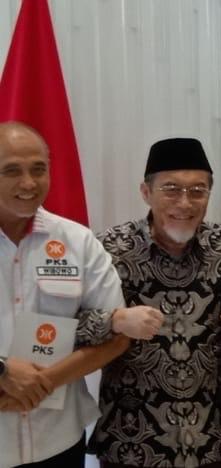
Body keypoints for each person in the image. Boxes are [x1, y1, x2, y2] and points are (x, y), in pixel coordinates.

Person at [77, 138, 221, 468]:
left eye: (197, 191)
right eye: (171, 189)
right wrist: (115, 320)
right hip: (131, 439)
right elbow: (68, 326)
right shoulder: (108, 248)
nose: (185, 202)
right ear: (145, 192)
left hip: (214, 435)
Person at [0, 122, 128, 468]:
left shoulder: (77, 240)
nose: (29, 183)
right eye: (12, 171)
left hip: (58, 441)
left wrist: (41, 383)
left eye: (38, 169)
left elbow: (116, 335)